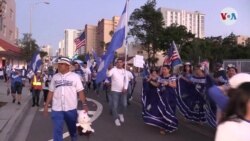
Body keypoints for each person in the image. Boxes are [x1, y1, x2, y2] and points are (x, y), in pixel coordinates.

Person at [43, 57, 88, 141]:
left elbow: (80, 91)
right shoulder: (55, 77)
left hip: (70, 109)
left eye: (61, 64)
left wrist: (84, 104)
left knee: (73, 131)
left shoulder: (75, 77)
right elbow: (51, 91)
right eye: (59, 64)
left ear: (68, 66)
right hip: (57, 109)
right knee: (57, 132)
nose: (59, 66)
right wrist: (46, 105)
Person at [107, 58, 129, 126]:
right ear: (116, 63)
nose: (119, 63)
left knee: (124, 104)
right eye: (118, 62)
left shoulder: (124, 71)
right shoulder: (113, 69)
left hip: (123, 91)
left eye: (121, 62)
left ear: (122, 63)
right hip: (114, 91)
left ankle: (120, 113)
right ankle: (116, 119)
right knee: (115, 106)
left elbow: (127, 80)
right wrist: (106, 68)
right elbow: (108, 75)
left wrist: (125, 88)